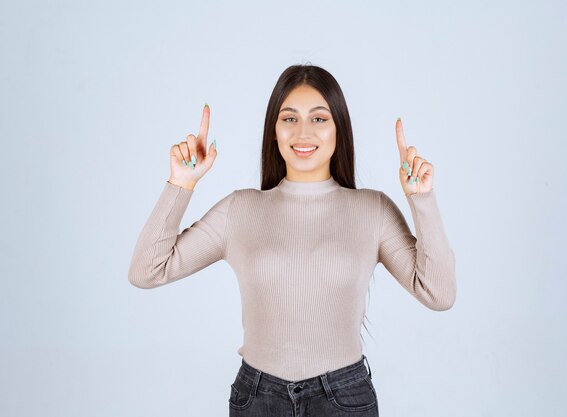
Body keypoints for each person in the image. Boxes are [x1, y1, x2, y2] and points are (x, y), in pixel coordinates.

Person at [128, 64, 456, 416]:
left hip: (343, 399)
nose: (303, 132)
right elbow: (147, 271)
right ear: (274, 130)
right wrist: (181, 184)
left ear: (339, 130)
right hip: (257, 398)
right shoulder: (241, 209)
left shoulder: (371, 209)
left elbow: (438, 294)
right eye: (289, 119)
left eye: (319, 119)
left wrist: (421, 199)